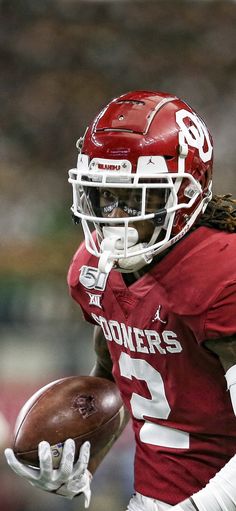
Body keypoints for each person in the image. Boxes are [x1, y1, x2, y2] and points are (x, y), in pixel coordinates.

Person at [5, 90, 236, 511]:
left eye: (135, 199)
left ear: (183, 196)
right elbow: (114, 377)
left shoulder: (222, 274)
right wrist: (83, 462)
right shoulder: (94, 270)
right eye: (104, 196)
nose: (114, 218)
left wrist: (204, 506)